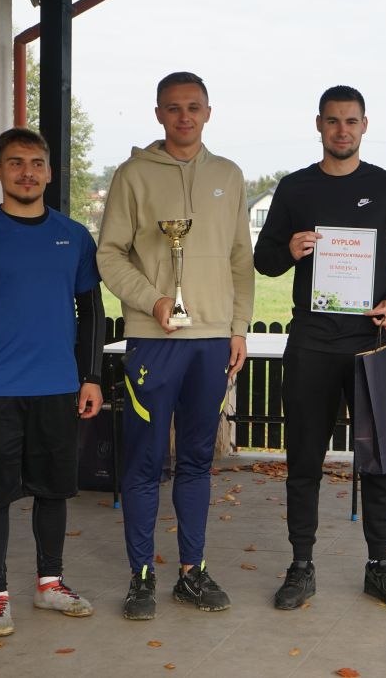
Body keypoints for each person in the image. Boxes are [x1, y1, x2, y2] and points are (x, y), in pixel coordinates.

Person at [254, 85, 386, 610]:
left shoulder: (385, 187)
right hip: (311, 343)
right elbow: (264, 260)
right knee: (304, 460)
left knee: (377, 461)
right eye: (333, 121)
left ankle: (380, 565)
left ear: (364, 125)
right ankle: (301, 565)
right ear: (319, 125)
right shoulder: (295, 188)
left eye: (351, 121)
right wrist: (289, 249)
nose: (342, 130)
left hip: (369, 344)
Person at [97, 71, 254, 620]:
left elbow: (240, 259)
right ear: (158, 114)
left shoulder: (229, 175)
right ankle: (141, 575)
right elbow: (109, 253)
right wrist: (154, 299)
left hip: (211, 342)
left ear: (208, 112)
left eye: (193, 107)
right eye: (173, 107)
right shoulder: (133, 175)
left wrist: (239, 326)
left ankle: (192, 571)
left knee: (195, 461)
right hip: (154, 340)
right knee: (144, 461)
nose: (183, 116)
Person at [0, 127, 104, 637]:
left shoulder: (75, 236)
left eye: (36, 163)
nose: (26, 172)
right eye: (15, 163)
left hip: (58, 386)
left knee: (54, 491)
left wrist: (91, 376)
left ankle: (49, 584)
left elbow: (92, 312)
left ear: (49, 172)